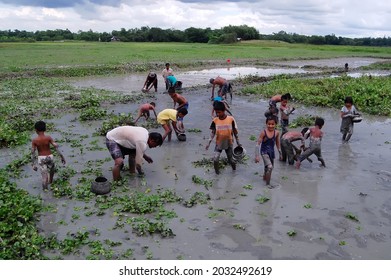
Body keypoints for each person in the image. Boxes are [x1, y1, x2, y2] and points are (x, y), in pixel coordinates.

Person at [206, 101, 241, 174]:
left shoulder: (231, 119)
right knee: (215, 159)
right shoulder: (215, 120)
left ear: (224, 111)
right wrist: (208, 143)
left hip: (229, 143)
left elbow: (235, 131)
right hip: (219, 143)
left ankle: (234, 171)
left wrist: (238, 142)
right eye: (216, 113)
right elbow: (213, 132)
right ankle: (217, 174)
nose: (218, 114)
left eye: (219, 112)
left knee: (230, 159)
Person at [31, 120, 66, 190]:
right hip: (50, 157)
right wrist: (62, 157)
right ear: (45, 129)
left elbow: (33, 152)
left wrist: (33, 164)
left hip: (41, 158)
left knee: (44, 177)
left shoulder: (35, 140)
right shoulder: (48, 138)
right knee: (52, 171)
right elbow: (56, 146)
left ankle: (45, 192)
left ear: (36, 130)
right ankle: (51, 182)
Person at [255, 116, 281, 188]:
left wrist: (280, 153)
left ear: (276, 124)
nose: (270, 126)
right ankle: (267, 184)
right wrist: (257, 156)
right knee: (270, 167)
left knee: (269, 168)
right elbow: (257, 144)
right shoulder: (263, 132)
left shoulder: (277, 133)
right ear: (266, 124)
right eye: (269, 124)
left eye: (272, 124)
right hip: (264, 152)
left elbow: (278, 143)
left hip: (271, 152)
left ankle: (265, 177)